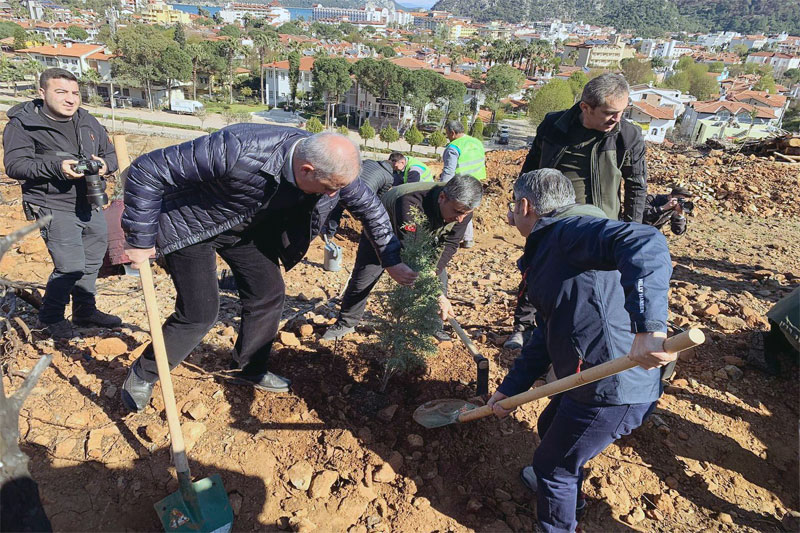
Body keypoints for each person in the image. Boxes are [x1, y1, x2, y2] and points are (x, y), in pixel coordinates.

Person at [120, 127, 417, 412]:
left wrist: (391, 260)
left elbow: (371, 210)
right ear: (306, 170)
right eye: (331, 189)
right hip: (191, 228)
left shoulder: (334, 168)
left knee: (268, 293)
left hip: (246, 231)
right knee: (199, 313)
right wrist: (140, 237)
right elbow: (147, 169)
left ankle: (249, 367)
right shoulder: (239, 147)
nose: (334, 195)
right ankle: (144, 374)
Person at [488, 168, 675, 533]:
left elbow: (645, 241)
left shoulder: (569, 233)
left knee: (552, 467)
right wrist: (509, 390)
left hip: (613, 386)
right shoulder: (558, 241)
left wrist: (649, 328)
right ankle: (567, 492)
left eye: (513, 206)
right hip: (584, 374)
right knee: (548, 424)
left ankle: (557, 518)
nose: (510, 215)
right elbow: (547, 330)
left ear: (525, 205)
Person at [507, 73, 648, 350]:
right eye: (609, 113)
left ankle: (573, 334)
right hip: (548, 218)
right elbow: (530, 168)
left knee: (588, 282)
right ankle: (523, 328)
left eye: (621, 112)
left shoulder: (628, 136)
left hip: (597, 222)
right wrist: (518, 207)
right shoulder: (554, 125)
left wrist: (632, 230)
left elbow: (636, 187)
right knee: (536, 272)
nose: (616, 119)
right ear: (586, 107)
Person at [2, 68, 120, 340]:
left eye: (75, 93)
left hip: (89, 201)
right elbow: (15, 165)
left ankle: (84, 311)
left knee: (92, 262)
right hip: (51, 203)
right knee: (69, 266)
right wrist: (58, 167)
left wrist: (103, 165)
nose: (70, 99)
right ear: (42, 93)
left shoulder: (87, 120)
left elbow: (110, 155)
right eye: (61, 92)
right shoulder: (23, 124)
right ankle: (50, 318)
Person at [322, 175, 483, 341]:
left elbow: (449, 244)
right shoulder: (410, 201)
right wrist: (436, 295)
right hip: (382, 235)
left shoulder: (463, 209)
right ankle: (346, 322)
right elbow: (412, 251)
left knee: (438, 277)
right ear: (442, 197)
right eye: (457, 212)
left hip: (423, 237)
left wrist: (434, 275)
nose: (461, 219)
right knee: (363, 279)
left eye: (466, 214)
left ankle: (433, 326)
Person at [323, 155, 397, 240]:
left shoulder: (369, 161)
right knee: (368, 219)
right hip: (362, 196)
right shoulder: (389, 178)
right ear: (393, 169)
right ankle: (364, 240)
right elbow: (379, 196)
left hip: (348, 188)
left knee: (337, 209)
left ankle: (329, 233)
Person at [440, 120, 486, 249]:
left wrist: (443, 187)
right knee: (468, 209)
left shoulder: (454, 147)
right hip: (477, 182)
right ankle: (468, 239)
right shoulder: (477, 142)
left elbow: (449, 171)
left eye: (447, 133)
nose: (447, 136)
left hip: (460, 184)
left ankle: (450, 238)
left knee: (456, 210)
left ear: (453, 133)